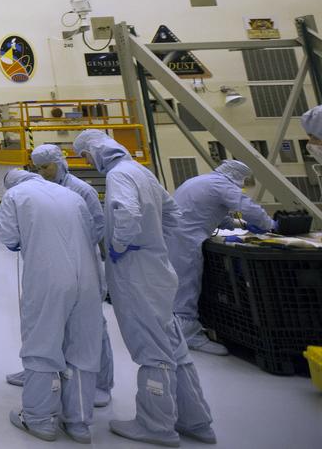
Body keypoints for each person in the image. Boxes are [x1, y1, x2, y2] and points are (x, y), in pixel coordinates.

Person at [72, 130, 214, 447]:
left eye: (85, 156)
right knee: (174, 345)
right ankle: (196, 421)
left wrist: (120, 246)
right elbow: (174, 214)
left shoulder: (120, 176)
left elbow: (127, 213)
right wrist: (155, 242)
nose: (86, 162)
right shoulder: (141, 171)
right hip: (159, 268)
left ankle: (157, 425)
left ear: (96, 151)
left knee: (151, 349)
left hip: (135, 273)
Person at [0, 168, 102, 443]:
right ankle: (79, 423)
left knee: (42, 345)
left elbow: (9, 239)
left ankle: (39, 419)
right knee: (82, 348)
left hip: (48, 278)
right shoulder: (71, 194)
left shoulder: (15, 195)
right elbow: (93, 231)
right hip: (89, 279)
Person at [5, 145, 114, 408]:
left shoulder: (80, 190)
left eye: (46, 167)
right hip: (57, 266)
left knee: (90, 330)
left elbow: (96, 229)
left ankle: (100, 383)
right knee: (55, 327)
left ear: (60, 161)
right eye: (38, 168)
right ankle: (51, 377)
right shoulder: (45, 189)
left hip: (81, 264)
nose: (43, 172)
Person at [165, 159, 273, 355]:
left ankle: (177, 329)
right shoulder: (222, 185)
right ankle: (189, 335)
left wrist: (241, 225)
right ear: (238, 178)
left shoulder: (200, 181)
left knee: (178, 285)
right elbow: (248, 207)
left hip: (175, 235)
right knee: (187, 285)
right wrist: (270, 226)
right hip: (186, 239)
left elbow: (211, 213)